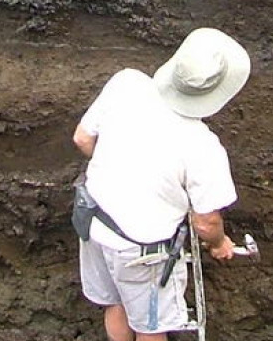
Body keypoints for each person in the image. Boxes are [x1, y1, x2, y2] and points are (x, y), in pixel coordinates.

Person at [72, 28, 249, 341]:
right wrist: (219, 243)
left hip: (94, 223)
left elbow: (83, 138)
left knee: (116, 304)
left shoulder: (126, 83)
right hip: (141, 252)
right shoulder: (202, 147)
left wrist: (122, 171)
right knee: (151, 329)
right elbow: (206, 223)